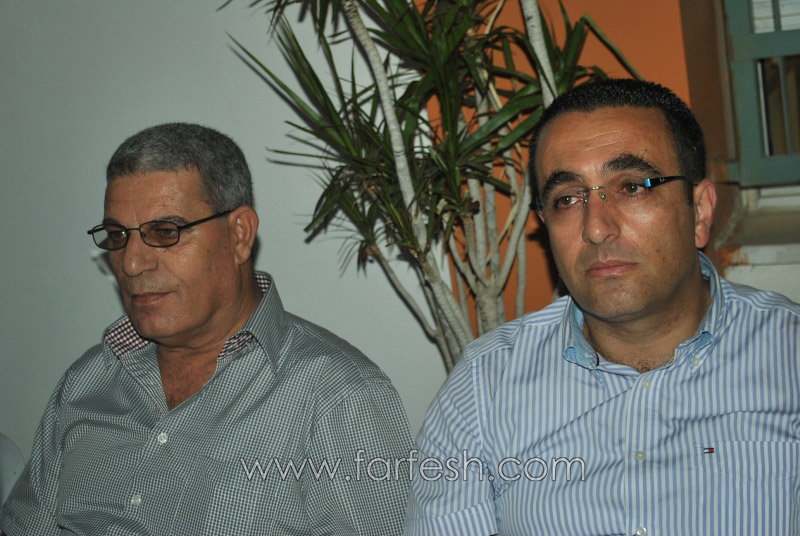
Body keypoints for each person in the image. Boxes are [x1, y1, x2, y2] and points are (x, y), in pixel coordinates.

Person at [404, 79, 800, 535]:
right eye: (568, 199)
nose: (596, 228)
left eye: (632, 187)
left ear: (699, 211)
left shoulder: (787, 356)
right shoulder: (485, 388)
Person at [0, 123, 412, 535]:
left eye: (165, 232)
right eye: (118, 235)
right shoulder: (87, 381)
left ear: (239, 235)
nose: (131, 263)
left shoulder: (338, 397)